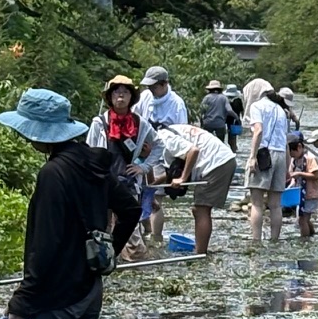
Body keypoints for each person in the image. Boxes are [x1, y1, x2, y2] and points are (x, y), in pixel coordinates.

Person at [0, 88, 138, 319]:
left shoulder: (53, 173)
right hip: (89, 287)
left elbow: (43, 248)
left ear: (39, 133)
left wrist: (21, 302)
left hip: (55, 294)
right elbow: (131, 209)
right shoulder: (94, 166)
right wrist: (108, 250)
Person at [89, 74, 155, 253]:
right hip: (102, 181)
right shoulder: (99, 123)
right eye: (116, 91)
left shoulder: (140, 124)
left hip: (128, 182)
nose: (120, 95)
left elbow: (159, 146)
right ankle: (104, 261)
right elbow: (89, 152)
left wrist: (143, 166)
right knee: (101, 227)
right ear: (110, 97)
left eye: (125, 92)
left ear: (131, 98)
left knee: (131, 232)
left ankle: (133, 266)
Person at [150, 120, 237, 255]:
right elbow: (170, 173)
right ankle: (200, 249)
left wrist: (183, 178)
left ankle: (200, 253)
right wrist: (151, 187)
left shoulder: (164, 138)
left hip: (217, 163)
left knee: (200, 210)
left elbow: (193, 151)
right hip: (220, 160)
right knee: (200, 209)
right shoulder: (167, 136)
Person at [134, 67, 188, 242]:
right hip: (142, 151)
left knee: (155, 196)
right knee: (138, 192)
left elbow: (183, 133)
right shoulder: (145, 97)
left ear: (164, 84)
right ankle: (144, 231)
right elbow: (135, 118)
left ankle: (156, 238)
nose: (150, 90)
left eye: (154, 86)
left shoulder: (176, 103)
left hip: (164, 153)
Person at [246, 86, 290, 242]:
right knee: (276, 205)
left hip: (264, 154)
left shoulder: (256, 106)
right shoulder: (281, 110)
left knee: (257, 204)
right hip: (281, 154)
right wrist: (288, 165)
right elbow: (285, 140)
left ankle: (256, 240)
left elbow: (258, 131)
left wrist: (252, 157)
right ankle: (274, 239)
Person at [286, 130, 318, 239]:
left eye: (293, 152)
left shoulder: (310, 158)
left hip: (311, 194)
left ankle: (304, 241)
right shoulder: (295, 160)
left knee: (302, 219)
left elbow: (316, 176)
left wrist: (300, 173)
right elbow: (292, 176)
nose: (292, 155)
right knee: (305, 219)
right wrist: (290, 185)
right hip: (300, 194)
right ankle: (311, 234)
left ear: (299, 147)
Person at [198, 80, 236, 151]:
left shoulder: (206, 98)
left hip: (208, 123)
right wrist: (237, 118)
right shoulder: (223, 98)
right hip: (220, 124)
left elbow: (201, 111)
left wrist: (201, 123)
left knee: (206, 144)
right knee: (220, 145)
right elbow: (229, 110)